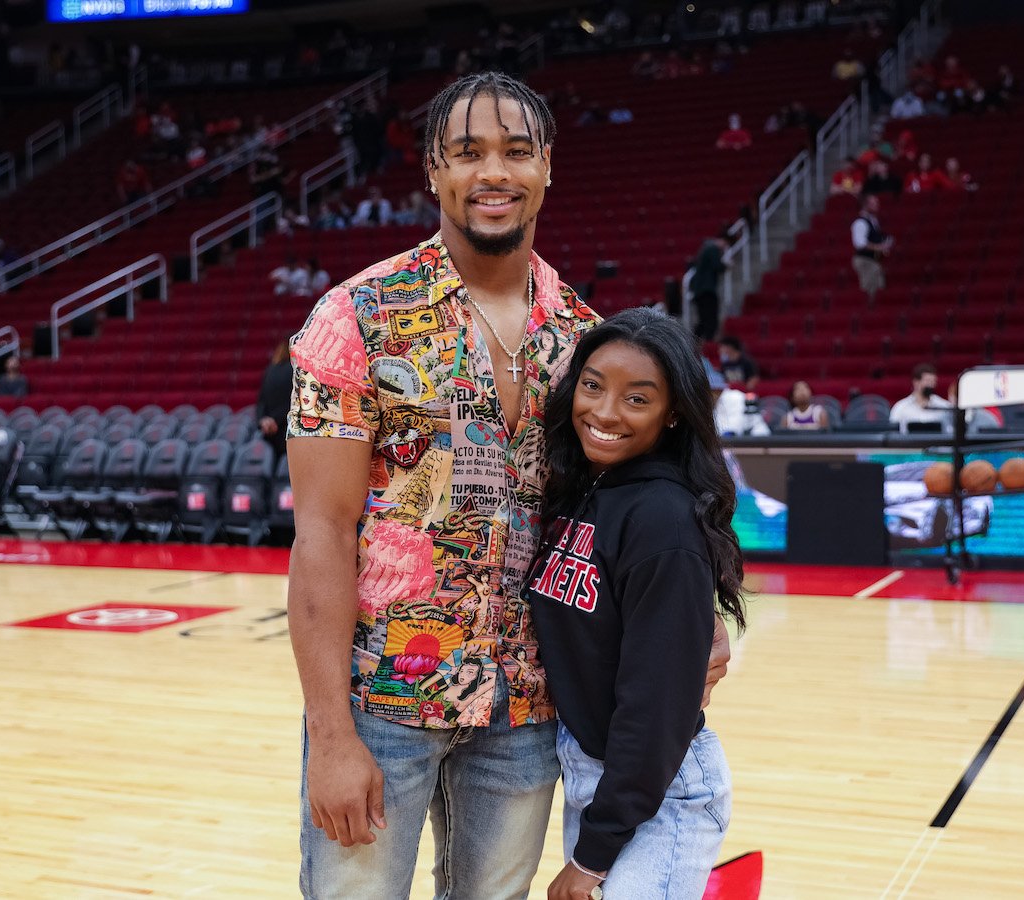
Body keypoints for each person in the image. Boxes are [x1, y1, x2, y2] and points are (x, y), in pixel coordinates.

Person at [286, 72, 731, 900]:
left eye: (516, 151)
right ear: (431, 170)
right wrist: (330, 735)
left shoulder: (584, 339)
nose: (494, 171)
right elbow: (321, 531)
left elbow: (639, 507)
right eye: (467, 152)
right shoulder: (358, 317)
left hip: (528, 709)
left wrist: (698, 614)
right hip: (383, 702)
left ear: (548, 167)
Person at [526, 307, 744, 900]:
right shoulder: (587, 489)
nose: (604, 412)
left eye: (637, 399)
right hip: (604, 777)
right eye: (593, 386)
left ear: (673, 414)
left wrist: (593, 857)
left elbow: (654, 705)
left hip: (657, 789)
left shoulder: (663, 521)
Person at [851, 194, 892, 302]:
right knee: (870, 291)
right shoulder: (860, 222)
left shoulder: (873, 221)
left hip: (874, 261)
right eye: (874, 203)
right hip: (866, 260)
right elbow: (860, 243)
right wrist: (879, 247)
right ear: (865, 205)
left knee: (878, 288)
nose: (877, 205)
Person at [689, 233, 729, 341]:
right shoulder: (712, 249)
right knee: (711, 320)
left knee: (703, 320)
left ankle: (692, 342)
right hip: (706, 290)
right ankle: (708, 344)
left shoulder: (705, 249)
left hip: (700, 291)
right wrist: (727, 265)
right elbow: (718, 266)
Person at [257, 340, 294, 458]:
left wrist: (265, 420)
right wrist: (277, 420)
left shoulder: (270, 370)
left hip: (269, 430)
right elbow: (292, 402)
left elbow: (261, 402)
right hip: (287, 428)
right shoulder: (295, 370)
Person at [889, 364, 953, 431]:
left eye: (933, 381)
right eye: (927, 381)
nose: (931, 385)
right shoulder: (901, 408)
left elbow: (950, 431)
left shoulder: (944, 406)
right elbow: (893, 432)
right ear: (916, 382)